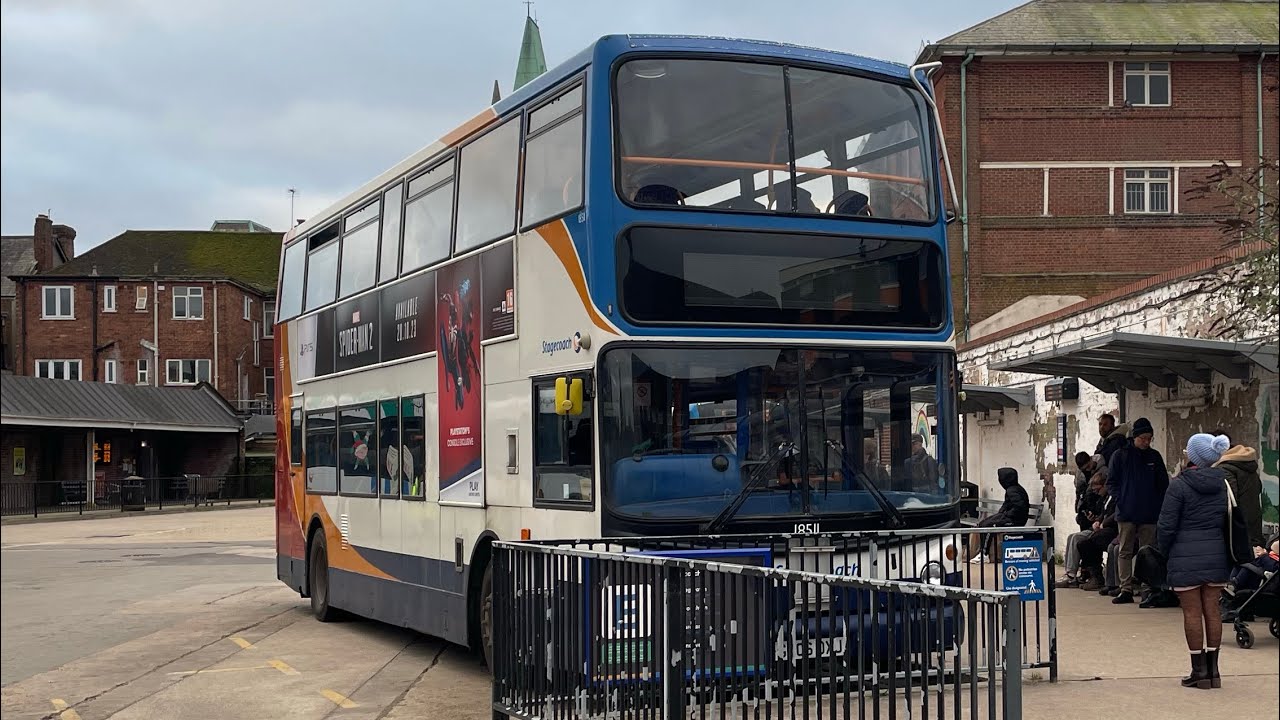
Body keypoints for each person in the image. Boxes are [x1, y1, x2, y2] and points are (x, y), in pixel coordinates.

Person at [1156, 433, 1233, 690]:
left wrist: (1166, 552)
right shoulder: (1223, 483)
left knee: (1192, 612)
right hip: (1216, 553)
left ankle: (1197, 671)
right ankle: (1214, 672)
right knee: (1212, 609)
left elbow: (1166, 526)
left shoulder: (1178, 485)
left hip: (1184, 554)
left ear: (1192, 455)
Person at [1106, 417, 1170, 604]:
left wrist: (1158, 503)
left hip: (1149, 513)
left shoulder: (1155, 457)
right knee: (1124, 550)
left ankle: (1147, 587)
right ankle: (1125, 588)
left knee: (1147, 551)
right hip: (1126, 512)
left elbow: (1162, 484)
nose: (1146, 442)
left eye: (1149, 438)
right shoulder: (1120, 455)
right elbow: (1112, 482)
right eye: (1143, 438)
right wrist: (1121, 499)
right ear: (1135, 437)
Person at [967, 467, 1029, 562]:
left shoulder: (1013, 490)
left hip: (1015, 521)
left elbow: (1019, 507)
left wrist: (1006, 515)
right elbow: (1007, 504)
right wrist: (1000, 513)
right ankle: (981, 552)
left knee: (990, 526)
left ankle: (985, 554)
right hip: (1010, 517)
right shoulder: (1012, 489)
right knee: (983, 523)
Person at [1058, 472, 1108, 588]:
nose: (1096, 492)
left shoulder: (1109, 498)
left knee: (1077, 538)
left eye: (1097, 490)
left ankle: (1071, 575)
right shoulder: (1102, 499)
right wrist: (1095, 519)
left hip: (1103, 529)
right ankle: (1069, 572)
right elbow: (1102, 514)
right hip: (1097, 526)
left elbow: (1107, 514)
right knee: (1071, 536)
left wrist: (1100, 522)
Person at [1213, 440, 1264, 548]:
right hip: (1253, 527)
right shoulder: (1248, 467)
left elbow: (1228, 501)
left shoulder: (1225, 469)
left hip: (1236, 533)